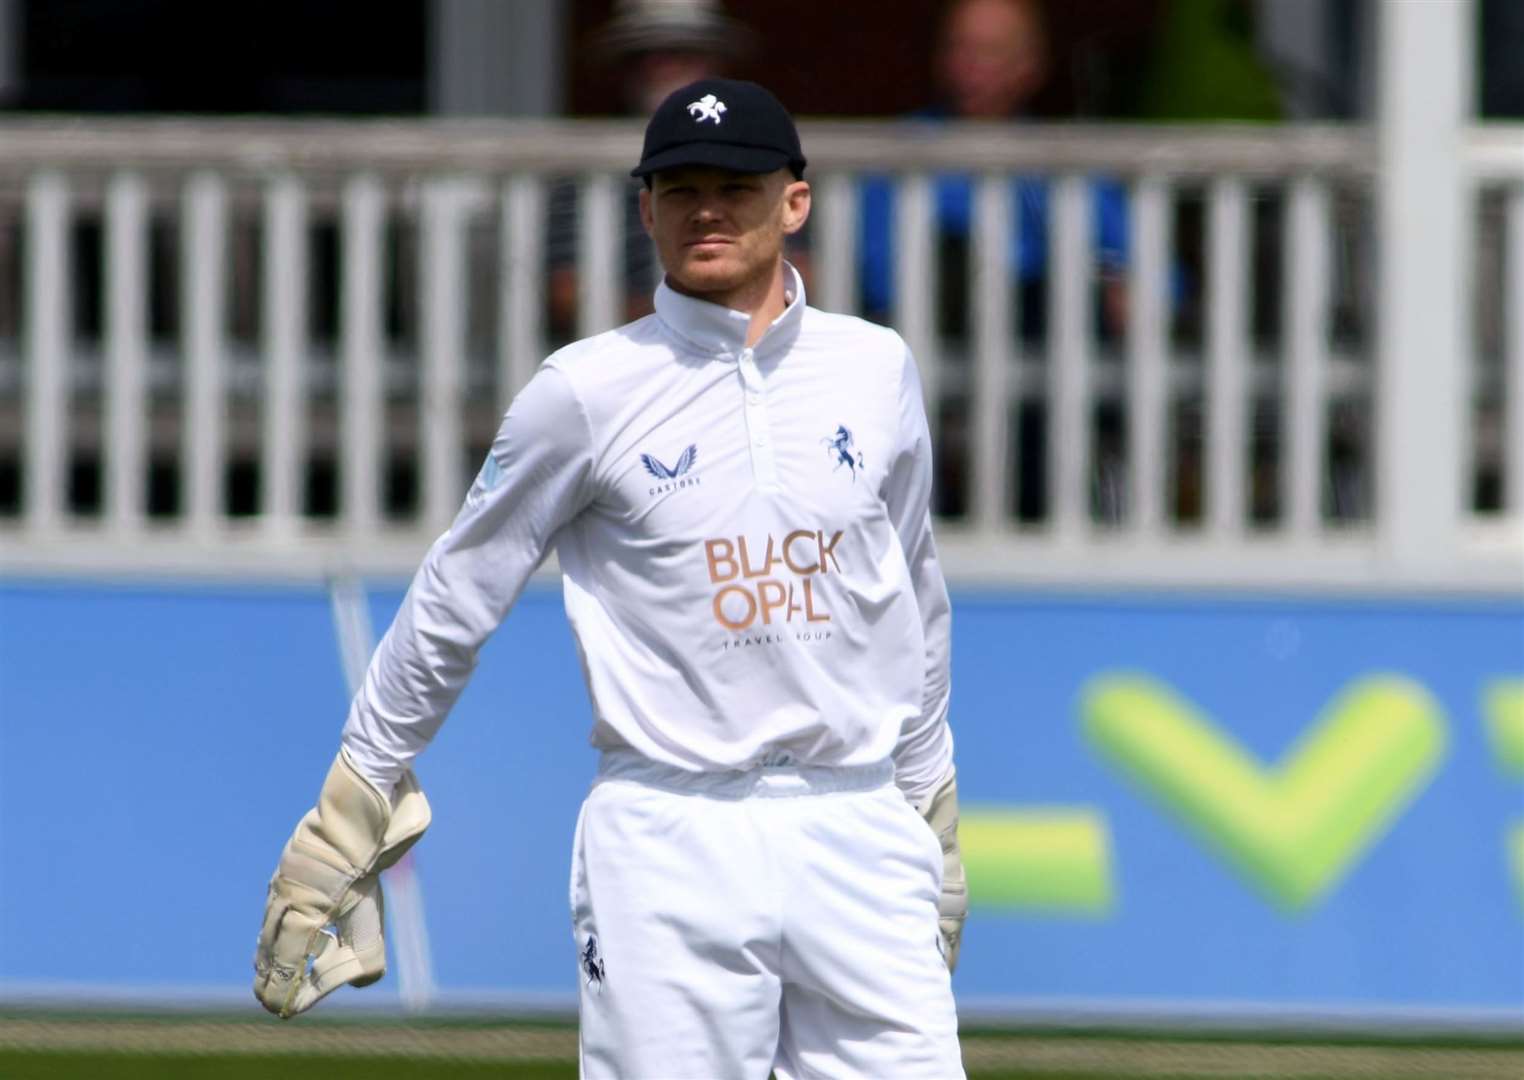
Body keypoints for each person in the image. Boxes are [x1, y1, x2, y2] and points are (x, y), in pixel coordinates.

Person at [254, 78, 968, 1079]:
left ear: (794, 201)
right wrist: (357, 792)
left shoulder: (875, 368)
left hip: (858, 821)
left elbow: (910, 600)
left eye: (737, 184)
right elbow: (460, 594)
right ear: (646, 210)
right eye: (680, 189)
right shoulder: (584, 391)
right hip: (670, 835)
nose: (708, 208)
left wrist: (930, 797)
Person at [860, 0, 1129, 522]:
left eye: (992, 53)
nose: (972, 67)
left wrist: (1125, 284)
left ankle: (1050, 514)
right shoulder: (897, 154)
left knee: (1056, 308)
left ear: (1031, 65)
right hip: (927, 347)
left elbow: (1149, 278)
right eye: (962, 50)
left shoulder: (1066, 162)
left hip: (1051, 355)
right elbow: (876, 279)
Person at [546, 0, 754, 340]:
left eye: (682, 53)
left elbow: (801, 269)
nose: (663, 66)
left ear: (714, 65)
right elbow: (566, 292)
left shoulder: (759, 158)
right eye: (645, 55)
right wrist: (681, 321)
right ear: (624, 70)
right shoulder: (582, 171)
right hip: (627, 351)